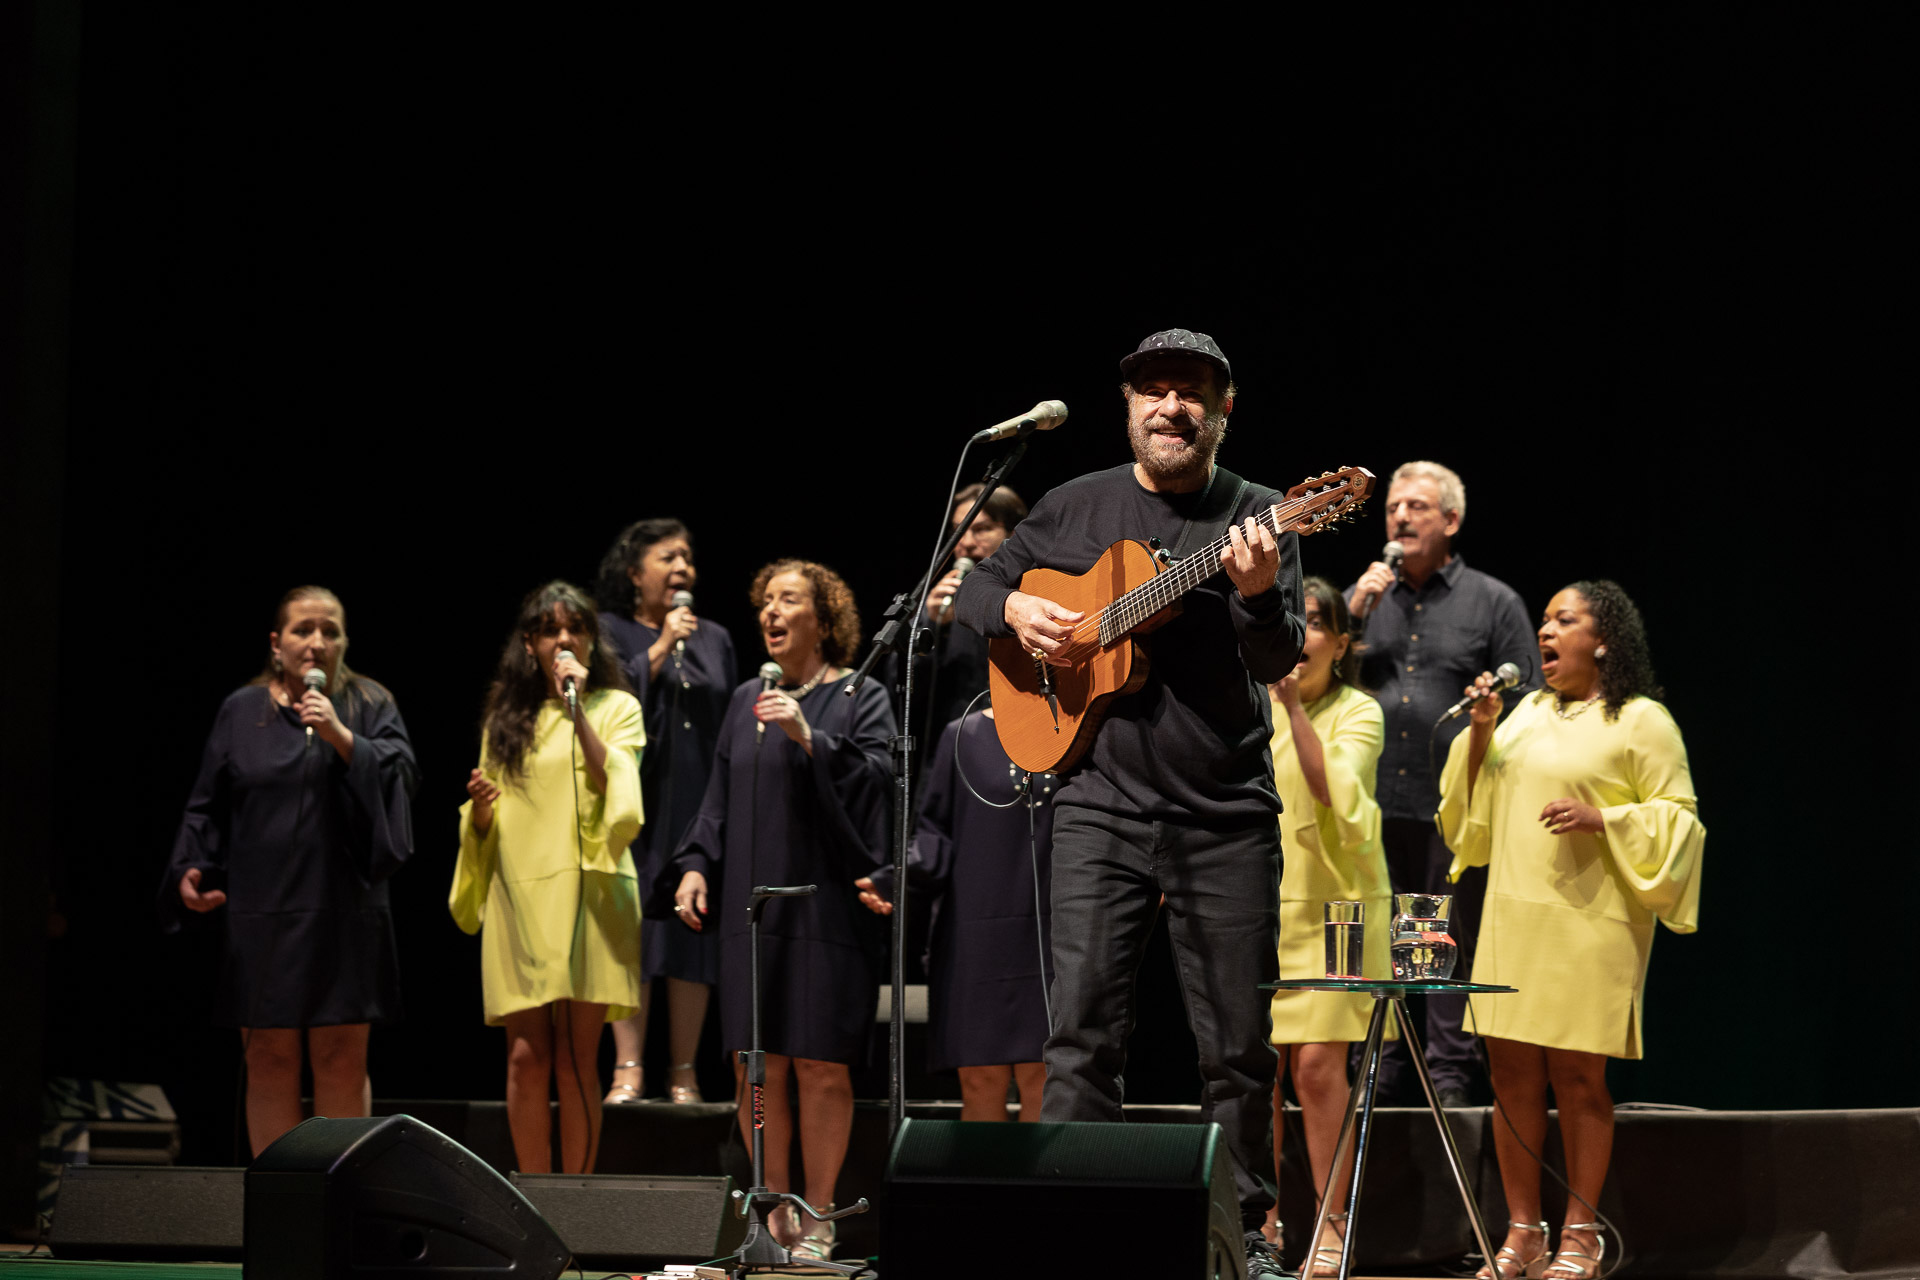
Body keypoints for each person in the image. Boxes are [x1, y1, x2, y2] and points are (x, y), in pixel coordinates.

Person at [952, 328, 1303, 1277]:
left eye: (1192, 392)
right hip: (1098, 799)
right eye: (1154, 390)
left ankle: (1241, 1238)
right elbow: (972, 591)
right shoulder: (1071, 505)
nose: (1171, 407)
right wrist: (1018, 610)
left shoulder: (1261, 512)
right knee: (1081, 1037)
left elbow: (1276, 661)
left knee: (1235, 1049)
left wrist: (1260, 597)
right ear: (1129, 407)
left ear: (1223, 412)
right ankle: (1073, 1230)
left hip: (1223, 809)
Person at [1438, 581, 1703, 1280]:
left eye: (1565, 620)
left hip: (1593, 922)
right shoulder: (1523, 714)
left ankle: (1581, 1233)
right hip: (1515, 912)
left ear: (1604, 638)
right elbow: (1471, 818)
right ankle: (1524, 1232)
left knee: (1579, 1078)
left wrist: (1606, 819)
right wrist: (1482, 730)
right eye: (1544, 622)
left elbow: (1680, 820)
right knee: (1511, 1077)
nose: (1546, 633)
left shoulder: (1642, 721)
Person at [669, 560, 893, 1263]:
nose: (770, 611)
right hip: (752, 908)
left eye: (787, 600)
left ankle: (819, 1213)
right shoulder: (744, 699)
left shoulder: (860, 694)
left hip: (827, 907)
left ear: (822, 621)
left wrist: (809, 737)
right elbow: (716, 797)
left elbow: (881, 785)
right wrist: (697, 865)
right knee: (754, 1064)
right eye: (765, 600)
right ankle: (771, 1210)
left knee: (821, 1064)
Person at [164, 585, 417, 1156]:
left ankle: (341, 1204)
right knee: (270, 1057)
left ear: (344, 642)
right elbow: (206, 803)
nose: (318, 642)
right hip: (262, 910)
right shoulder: (241, 710)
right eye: (304, 630)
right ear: (277, 644)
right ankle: (279, 1210)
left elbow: (401, 780)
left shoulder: (369, 702)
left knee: (339, 1057)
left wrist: (340, 736)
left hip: (345, 910)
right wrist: (190, 866)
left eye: (330, 631)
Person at [1345, 460, 1536, 1106]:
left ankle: (1448, 1077)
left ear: (1451, 520)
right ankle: (1382, 1068)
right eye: (1394, 507)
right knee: (1381, 936)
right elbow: (1320, 682)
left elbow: (1528, 700)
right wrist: (1349, 616)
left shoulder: (1492, 601)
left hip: (1451, 804)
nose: (1400, 516)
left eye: (1417, 507)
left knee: (1439, 934)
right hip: (1369, 803)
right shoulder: (1365, 600)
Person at [451, 582, 645, 1174]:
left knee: (574, 1060)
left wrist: (578, 707)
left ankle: (576, 1203)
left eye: (576, 627)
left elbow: (616, 783)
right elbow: (490, 817)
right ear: (529, 642)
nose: (564, 639)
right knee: (525, 1059)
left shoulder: (615, 707)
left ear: (590, 638)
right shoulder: (504, 719)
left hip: (588, 895)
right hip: (520, 897)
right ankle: (536, 1200)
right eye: (550, 629)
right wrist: (481, 808)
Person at [1263, 578, 1390, 1273]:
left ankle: (1331, 1224)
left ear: (1341, 644)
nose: (1301, 635)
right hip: (1262, 904)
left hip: (1338, 909)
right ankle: (1266, 1220)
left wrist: (1289, 706)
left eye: (1315, 623)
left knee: (1315, 1068)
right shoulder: (1252, 709)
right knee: (1261, 1074)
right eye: (1290, 621)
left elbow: (1329, 788)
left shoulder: (1359, 711)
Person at [593, 519, 737, 1106]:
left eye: (687, 558)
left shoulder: (715, 637)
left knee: (689, 936)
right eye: (667, 558)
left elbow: (727, 717)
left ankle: (683, 1070)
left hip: (696, 804)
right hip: (634, 806)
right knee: (633, 934)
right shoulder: (609, 633)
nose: (683, 569)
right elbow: (607, 709)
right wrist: (657, 649)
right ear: (635, 573)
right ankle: (627, 1068)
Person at [855, 707, 1056, 1122]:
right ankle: (984, 1190)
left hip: (1054, 924)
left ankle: (1042, 1191)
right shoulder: (962, 733)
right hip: (974, 926)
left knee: (1046, 1074)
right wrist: (897, 876)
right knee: (981, 1076)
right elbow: (934, 834)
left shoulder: (1084, 723)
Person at [918, 483, 1027, 739]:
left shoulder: (1036, 596)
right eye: (958, 532)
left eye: (981, 529)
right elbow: (908, 694)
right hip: (957, 747)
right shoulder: (942, 608)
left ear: (1015, 534)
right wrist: (930, 625)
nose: (965, 544)